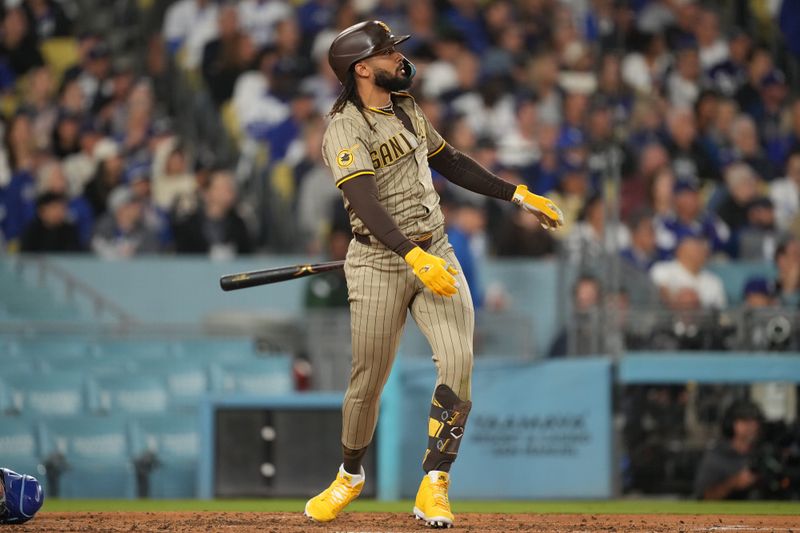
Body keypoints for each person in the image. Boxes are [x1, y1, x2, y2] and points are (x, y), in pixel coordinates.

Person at [303, 20, 563, 529]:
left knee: (459, 358)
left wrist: (515, 194)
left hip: (434, 249)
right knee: (367, 381)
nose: (400, 59)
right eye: (388, 54)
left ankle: (435, 482)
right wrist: (407, 254)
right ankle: (350, 474)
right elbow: (363, 200)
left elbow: (452, 162)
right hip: (380, 260)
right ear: (362, 68)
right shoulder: (345, 127)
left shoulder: (406, 107)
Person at [693, 400, 762, 500]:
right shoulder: (717, 457)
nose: (751, 426)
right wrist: (734, 483)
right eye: (744, 421)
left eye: (754, 421)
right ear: (731, 424)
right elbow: (703, 497)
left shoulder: (764, 452)